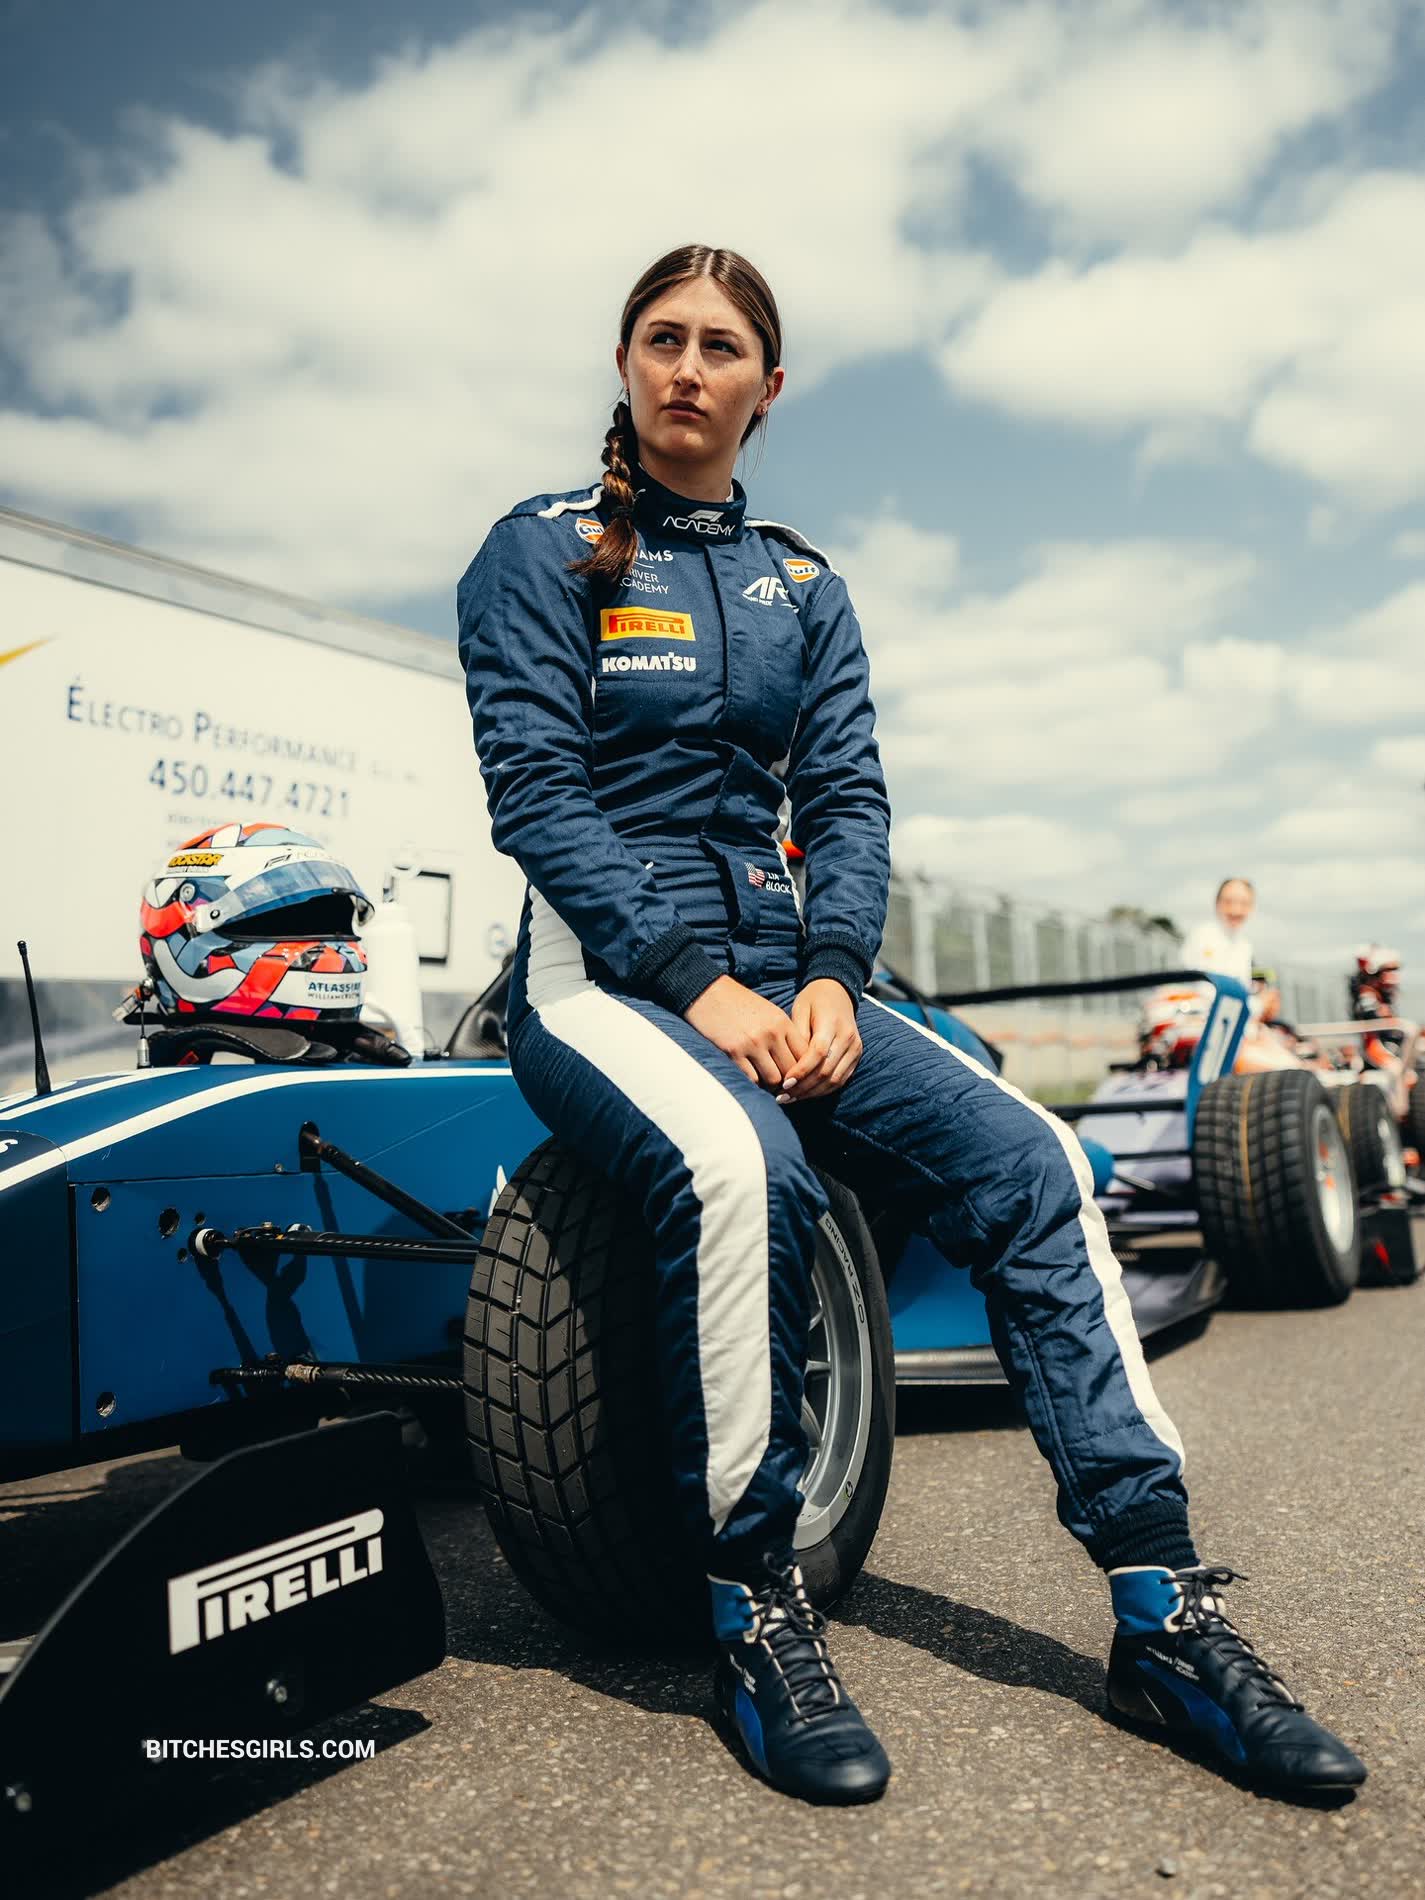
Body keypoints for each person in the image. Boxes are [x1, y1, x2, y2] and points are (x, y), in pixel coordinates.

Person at [456, 246, 1365, 1805]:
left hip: (793, 978)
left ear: (768, 388)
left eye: (720, 347)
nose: (687, 368)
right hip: (599, 984)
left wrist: (829, 974)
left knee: (1036, 1165)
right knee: (743, 1173)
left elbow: (848, 801)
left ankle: (1161, 1612)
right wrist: (701, 987)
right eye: (661, 339)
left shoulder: (804, 585)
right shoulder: (538, 550)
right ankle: (754, 1609)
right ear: (623, 364)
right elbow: (536, 797)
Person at [1180, 878, 1256, 990]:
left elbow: (1243, 990)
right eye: (1228, 901)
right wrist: (1257, 1001)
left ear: (1251, 907)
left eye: (1243, 903)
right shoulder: (1201, 936)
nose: (1235, 909)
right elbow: (1206, 990)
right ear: (1217, 903)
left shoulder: (1246, 946)